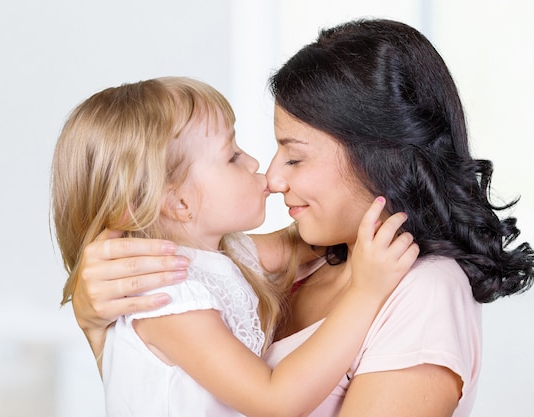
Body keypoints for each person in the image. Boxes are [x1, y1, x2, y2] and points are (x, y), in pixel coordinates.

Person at [69, 19, 534, 417]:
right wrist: (96, 324)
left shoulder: (423, 291)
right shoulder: (295, 260)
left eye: (294, 158)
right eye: (234, 156)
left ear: (379, 159)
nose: (269, 177)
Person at [51, 76, 418, 416]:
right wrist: (367, 293)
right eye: (232, 156)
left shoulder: (218, 256)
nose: (255, 162)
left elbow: (296, 245)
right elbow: (276, 399)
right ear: (178, 203)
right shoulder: (167, 298)